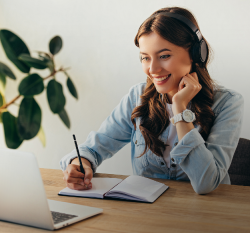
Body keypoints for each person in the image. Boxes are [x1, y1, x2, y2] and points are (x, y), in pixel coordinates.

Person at [60, 7, 244, 194]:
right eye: (145, 58)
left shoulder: (228, 103)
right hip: (148, 215)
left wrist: (180, 109)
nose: (153, 69)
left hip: (208, 216)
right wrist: (79, 163)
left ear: (196, 54)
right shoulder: (137, 97)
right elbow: (94, 147)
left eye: (164, 56)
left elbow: (206, 183)